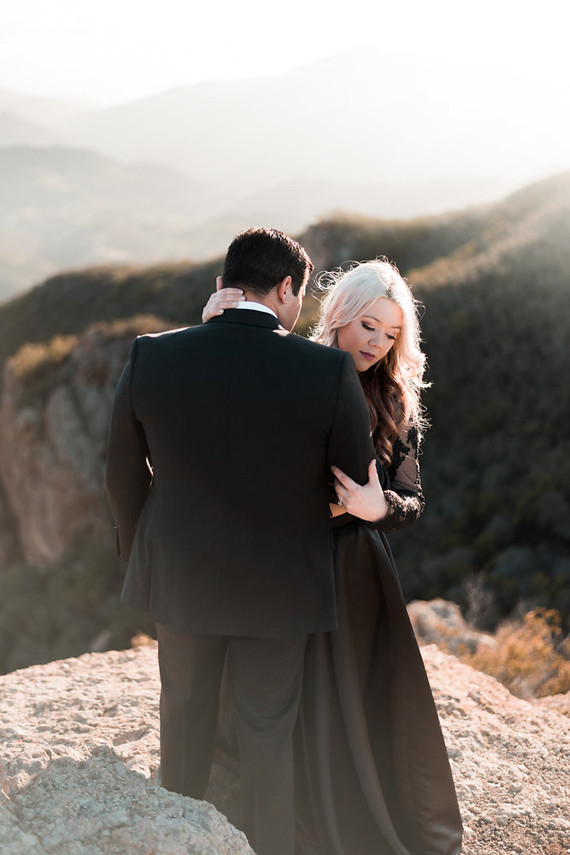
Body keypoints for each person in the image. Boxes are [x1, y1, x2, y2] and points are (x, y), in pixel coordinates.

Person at [105, 228, 388, 855]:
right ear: (286, 289)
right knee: (267, 739)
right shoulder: (328, 369)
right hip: (281, 589)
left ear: (221, 287)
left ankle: (174, 841)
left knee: (183, 725)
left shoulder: (154, 354)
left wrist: (142, 556)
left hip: (179, 579)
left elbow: (122, 471)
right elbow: (350, 476)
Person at [203, 259, 463, 855]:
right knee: (275, 696)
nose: (377, 342)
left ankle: (344, 809)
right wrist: (214, 323)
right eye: (368, 325)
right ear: (340, 315)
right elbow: (225, 396)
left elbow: (413, 499)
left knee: (352, 699)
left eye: (391, 334)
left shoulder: (392, 395)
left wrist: (380, 508)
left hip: (353, 569)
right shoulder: (291, 362)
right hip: (284, 560)